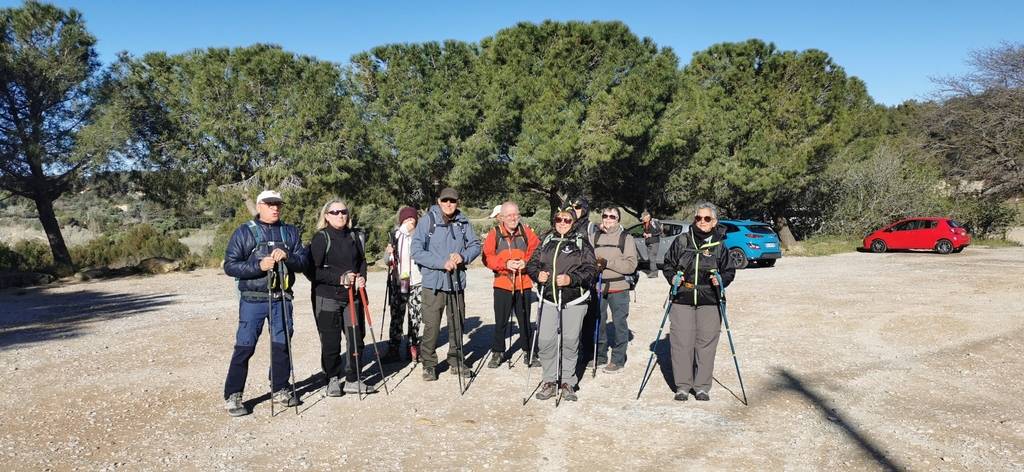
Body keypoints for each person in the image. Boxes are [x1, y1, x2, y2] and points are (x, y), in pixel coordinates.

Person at [222, 190, 309, 417]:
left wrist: (288, 256)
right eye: (270, 204)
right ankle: (233, 395)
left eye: (278, 204)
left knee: (282, 346)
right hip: (253, 300)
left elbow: (303, 262)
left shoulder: (289, 232)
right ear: (259, 206)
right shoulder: (244, 232)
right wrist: (258, 266)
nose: (275, 208)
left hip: (282, 298)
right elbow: (230, 265)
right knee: (245, 346)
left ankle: (280, 387)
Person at [662, 202, 735, 401]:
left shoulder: (719, 245)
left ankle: (702, 386)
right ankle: (683, 386)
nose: (702, 222)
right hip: (682, 299)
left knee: (706, 343)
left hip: (710, 300)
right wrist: (672, 278)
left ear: (714, 222)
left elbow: (729, 270)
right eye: (698, 218)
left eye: (707, 218)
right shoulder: (682, 240)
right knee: (681, 343)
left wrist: (721, 280)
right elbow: (668, 264)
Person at [411, 187, 482, 381]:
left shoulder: (463, 221)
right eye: (445, 201)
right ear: (439, 201)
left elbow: (475, 245)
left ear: (458, 202)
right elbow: (416, 251)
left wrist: (463, 256)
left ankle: (457, 361)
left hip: (456, 282)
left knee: (457, 324)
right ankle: (429, 364)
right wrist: (441, 263)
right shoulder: (428, 221)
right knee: (432, 326)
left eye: (453, 201)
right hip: (433, 283)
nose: (449, 204)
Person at [526, 207, 597, 401]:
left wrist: (571, 279)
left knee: (570, 341)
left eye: (567, 220)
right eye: (559, 219)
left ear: (573, 222)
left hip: (574, 300)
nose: (562, 223)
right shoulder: (546, 240)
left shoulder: (581, 242)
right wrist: (536, 275)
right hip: (548, 298)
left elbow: (591, 270)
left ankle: (567, 382)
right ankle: (549, 381)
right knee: (546, 340)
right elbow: (531, 264)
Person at [309, 199, 377, 396]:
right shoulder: (321, 238)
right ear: (326, 216)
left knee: (356, 339)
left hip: (353, 297)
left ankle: (353, 379)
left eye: (343, 211)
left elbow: (362, 261)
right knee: (330, 341)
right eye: (335, 212)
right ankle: (331, 379)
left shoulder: (354, 236)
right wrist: (340, 279)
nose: (340, 215)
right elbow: (313, 271)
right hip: (328, 297)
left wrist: (361, 277)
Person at [481, 201, 540, 368]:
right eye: (509, 215)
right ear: (501, 217)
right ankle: (498, 352)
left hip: (523, 283)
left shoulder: (527, 232)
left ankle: (529, 352)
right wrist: (505, 264)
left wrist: (526, 263)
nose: (513, 218)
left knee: (525, 320)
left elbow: (537, 252)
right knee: (501, 321)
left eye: (516, 214)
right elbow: (487, 257)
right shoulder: (494, 234)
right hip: (502, 283)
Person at [592, 207, 638, 373]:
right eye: (605, 215)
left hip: (619, 288)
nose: (608, 219)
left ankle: (618, 359)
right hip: (598, 287)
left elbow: (631, 265)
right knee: (599, 323)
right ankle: (601, 355)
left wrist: (607, 264)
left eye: (613, 216)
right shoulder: (594, 236)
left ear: (618, 219)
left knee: (619, 324)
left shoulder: (626, 238)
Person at [384, 206, 423, 363]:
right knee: (397, 316)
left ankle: (413, 347)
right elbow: (387, 261)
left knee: (415, 317)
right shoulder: (395, 236)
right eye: (406, 220)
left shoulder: (421, 236)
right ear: (401, 221)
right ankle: (394, 348)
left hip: (417, 281)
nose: (409, 222)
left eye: (412, 219)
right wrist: (388, 253)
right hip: (399, 281)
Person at [641, 210, 662, 277]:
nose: (642, 219)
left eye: (643, 218)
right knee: (650, 258)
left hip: (654, 242)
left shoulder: (653, 222)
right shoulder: (644, 223)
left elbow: (660, 231)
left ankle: (654, 272)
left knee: (652, 257)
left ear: (647, 217)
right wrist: (644, 234)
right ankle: (653, 271)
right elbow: (646, 231)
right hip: (648, 242)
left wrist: (651, 235)